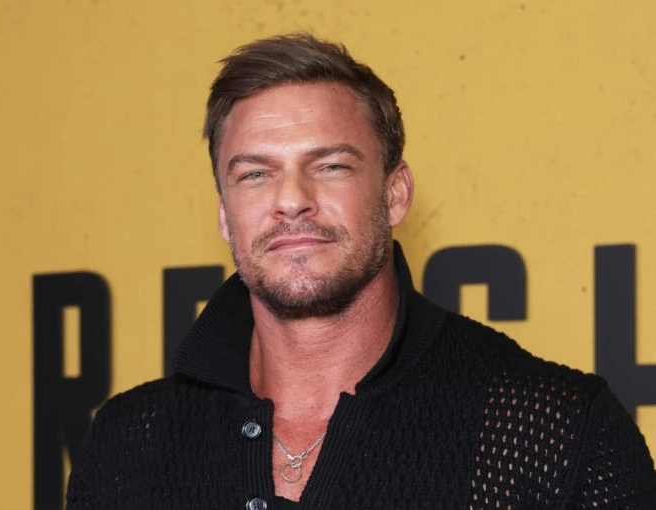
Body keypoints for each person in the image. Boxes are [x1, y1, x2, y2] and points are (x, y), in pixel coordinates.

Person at [66, 34, 656, 509]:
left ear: (396, 193)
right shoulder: (127, 443)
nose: (291, 200)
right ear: (225, 215)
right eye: (255, 174)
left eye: (330, 166)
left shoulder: (557, 433)